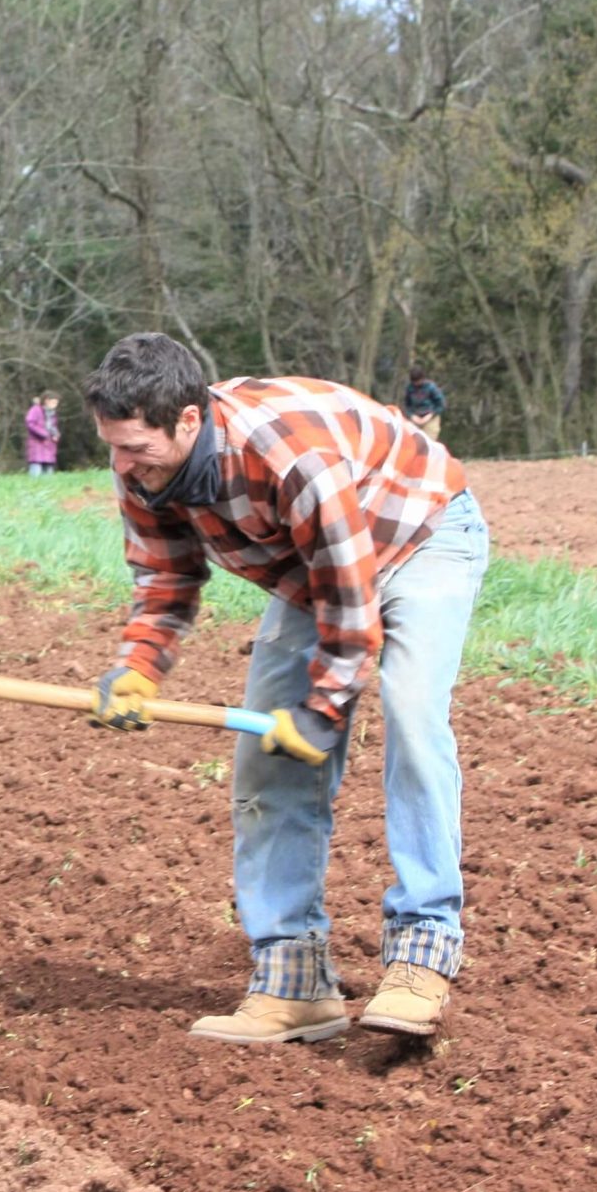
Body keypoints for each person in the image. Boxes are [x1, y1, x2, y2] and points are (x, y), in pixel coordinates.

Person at [82, 333, 488, 1045]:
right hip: (312, 570)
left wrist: (322, 710)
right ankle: (293, 980)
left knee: (413, 716)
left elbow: (351, 601)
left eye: (134, 448)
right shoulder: (141, 468)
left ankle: (422, 952)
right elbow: (166, 578)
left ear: (187, 419)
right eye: (111, 447)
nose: (121, 465)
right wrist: (139, 667)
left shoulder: (288, 455)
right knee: (265, 758)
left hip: (419, 528)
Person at [402, 367, 446, 444]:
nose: (416, 384)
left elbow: (441, 404)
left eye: (418, 381)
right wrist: (411, 415)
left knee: (429, 443)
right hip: (416, 418)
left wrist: (431, 415)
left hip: (430, 418)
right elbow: (407, 405)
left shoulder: (431, 387)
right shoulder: (410, 388)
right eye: (414, 382)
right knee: (413, 443)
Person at [24, 393, 61, 475]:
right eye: (54, 402)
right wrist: (43, 433)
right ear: (46, 401)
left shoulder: (52, 414)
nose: (55, 405)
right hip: (37, 444)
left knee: (48, 471)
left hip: (49, 446)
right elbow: (30, 423)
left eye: (56, 403)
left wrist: (56, 435)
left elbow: (53, 426)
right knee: (36, 469)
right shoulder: (35, 410)